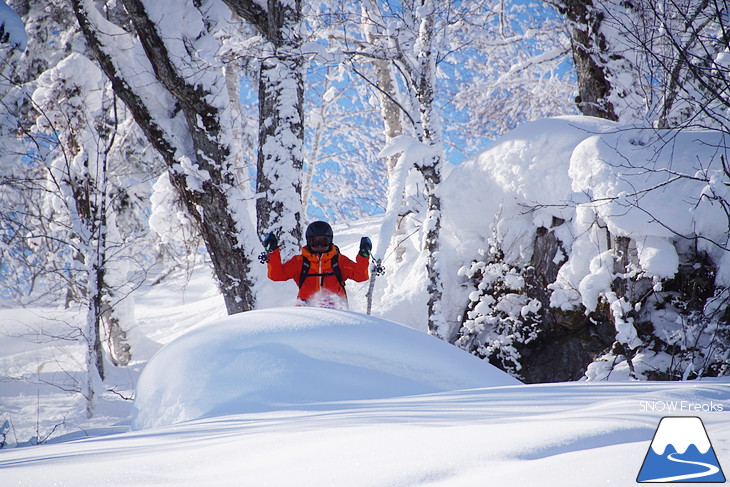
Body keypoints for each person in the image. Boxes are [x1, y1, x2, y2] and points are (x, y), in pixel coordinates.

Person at [262, 221, 372, 309]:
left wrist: (363, 255)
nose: (319, 246)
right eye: (315, 241)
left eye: (323, 241)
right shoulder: (299, 262)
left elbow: (360, 276)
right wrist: (273, 252)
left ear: (330, 241)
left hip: (336, 308)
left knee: (328, 301)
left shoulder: (338, 260)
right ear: (309, 241)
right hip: (306, 308)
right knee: (302, 306)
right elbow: (277, 275)